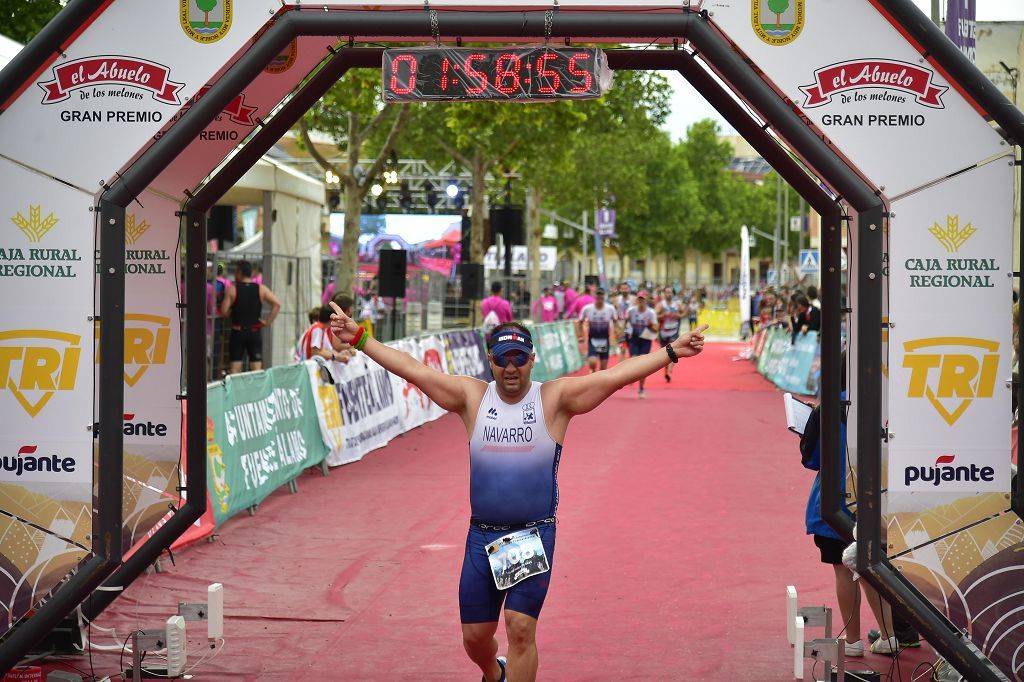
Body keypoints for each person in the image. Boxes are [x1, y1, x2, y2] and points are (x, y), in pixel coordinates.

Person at [327, 303, 707, 682]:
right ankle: (494, 672)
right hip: (481, 537)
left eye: (520, 359)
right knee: (475, 639)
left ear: (532, 359)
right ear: (490, 361)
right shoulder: (471, 397)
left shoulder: (554, 400)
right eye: (504, 359)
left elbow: (615, 376)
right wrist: (360, 338)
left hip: (532, 535)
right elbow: (413, 369)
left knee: (520, 628)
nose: (512, 368)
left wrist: (671, 351)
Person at [221, 260, 281, 374]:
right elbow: (277, 304)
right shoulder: (261, 288)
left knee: (235, 367)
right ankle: (257, 391)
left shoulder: (233, 289)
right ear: (251, 273)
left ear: (239, 272)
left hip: (238, 332)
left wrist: (233, 309)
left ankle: (235, 391)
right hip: (255, 332)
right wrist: (267, 322)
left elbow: (224, 312)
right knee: (256, 368)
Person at [625, 291, 659, 398]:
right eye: (639, 299)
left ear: (646, 300)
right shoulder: (631, 311)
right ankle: (632, 376)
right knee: (634, 360)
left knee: (643, 365)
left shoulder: (651, 313)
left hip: (645, 340)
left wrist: (650, 326)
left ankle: (641, 388)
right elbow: (626, 322)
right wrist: (623, 332)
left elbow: (656, 329)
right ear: (637, 300)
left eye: (643, 299)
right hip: (634, 339)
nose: (641, 301)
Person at [579, 288, 617, 373]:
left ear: (604, 296)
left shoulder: (610, 308)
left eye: (601, 294)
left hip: (604, 339)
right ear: (594, 295)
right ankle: (592, 371)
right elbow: (580, 321)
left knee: (603, 368)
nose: (599, 296)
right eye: (598, 294)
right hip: (592, 339)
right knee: (592, 362)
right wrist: (580, 335)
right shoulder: (587, 308)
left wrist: (615, 335)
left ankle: (598, 381)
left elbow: (615, 321)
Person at [655, 286, 684, 383]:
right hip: (663, 333)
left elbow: (683, 315)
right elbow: (655, 316)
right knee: (665, 354)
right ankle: (666, 371)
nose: (669, 294)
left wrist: (678, 315)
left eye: (670, 292)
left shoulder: (677, 304)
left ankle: (669, 369)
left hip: (674, 332)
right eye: (667, 292)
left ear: (673, 293)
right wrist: (663, 315)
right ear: (664, 294)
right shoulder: (661, 305)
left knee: (673, 351)